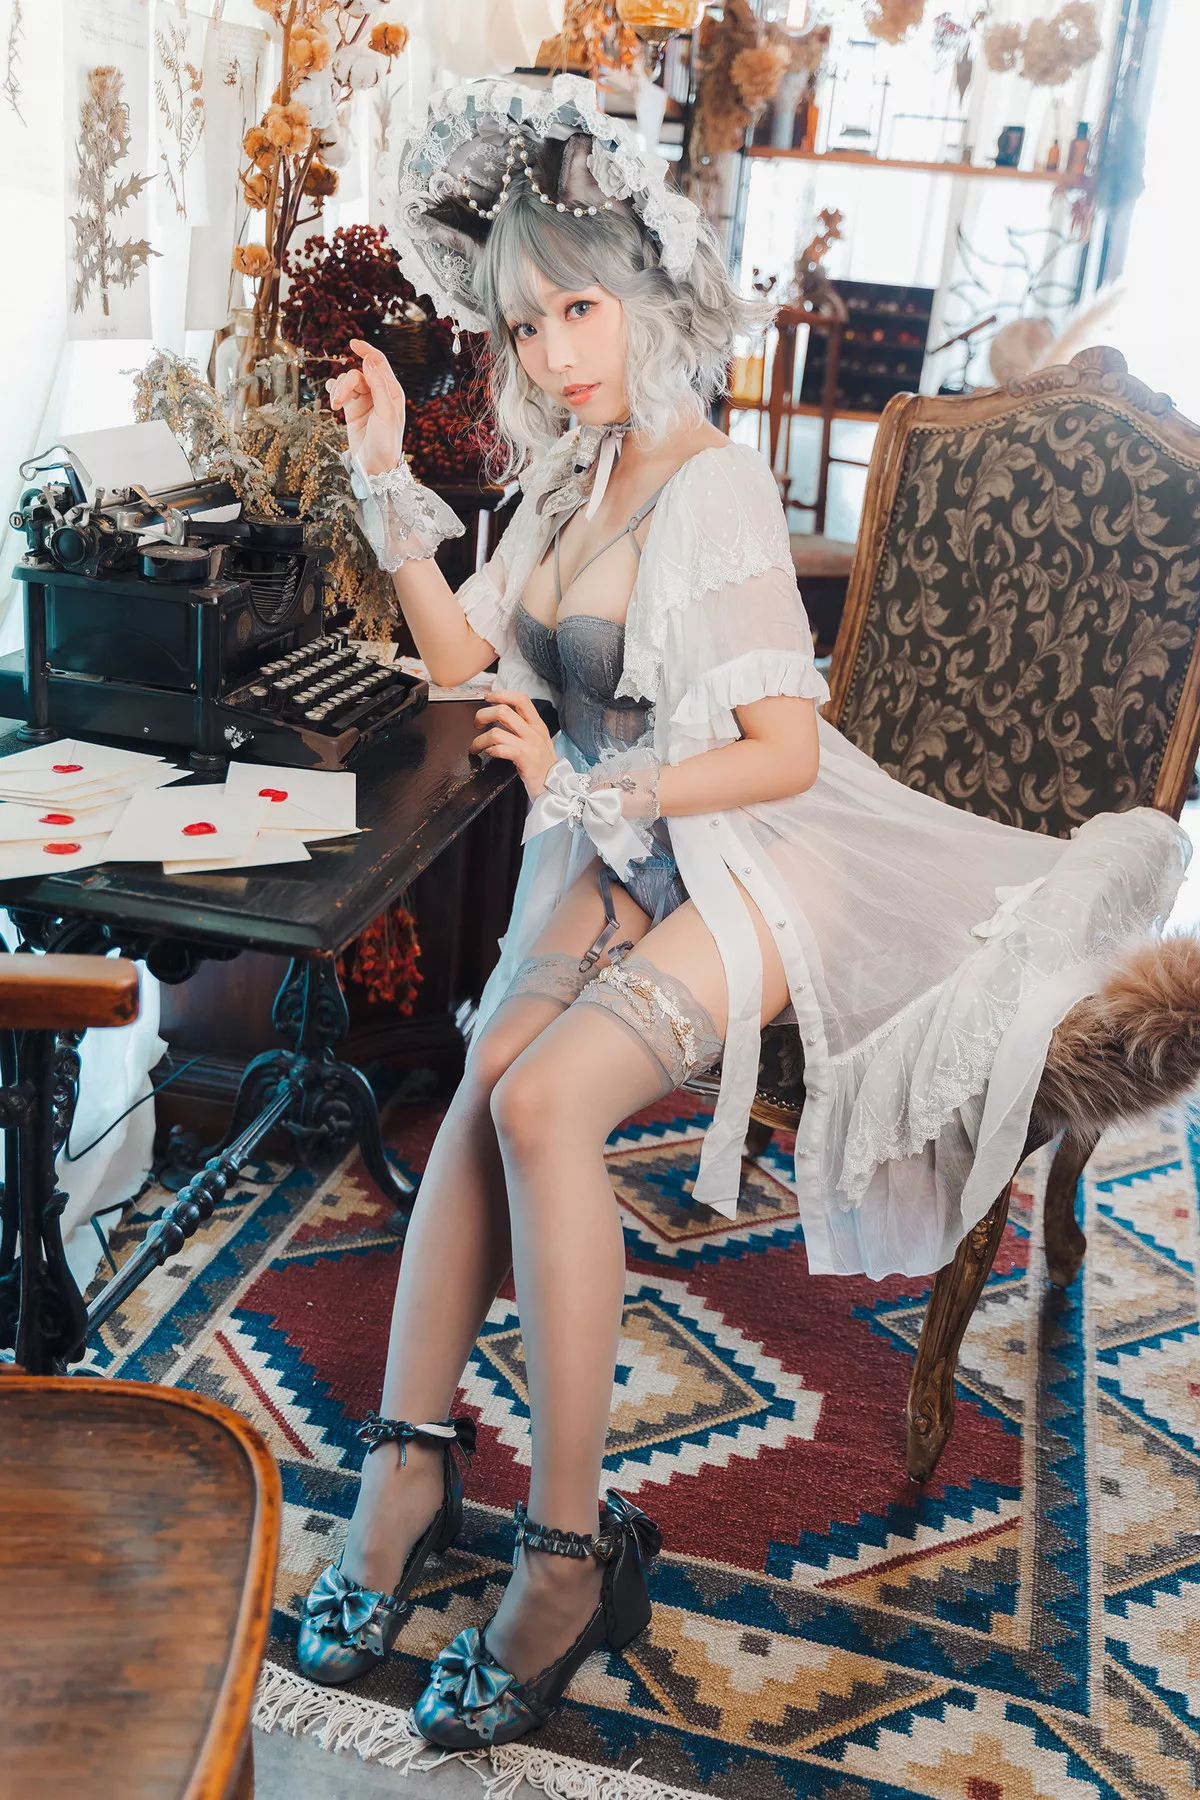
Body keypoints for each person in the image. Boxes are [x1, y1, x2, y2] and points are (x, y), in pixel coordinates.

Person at [296, 76, 1189, 1750]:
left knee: (547, 1106)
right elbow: (464, 661)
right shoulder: (569, 476)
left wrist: (597, 791)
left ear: (645, 298)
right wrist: (384, 475)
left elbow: (779, 752)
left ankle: (569, 1558)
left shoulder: (709, 483)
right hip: (608, 840)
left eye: (581, 308)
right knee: (480, 1090)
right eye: (528, 322)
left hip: (749, 854)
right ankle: (405, 1480)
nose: (558, 349)